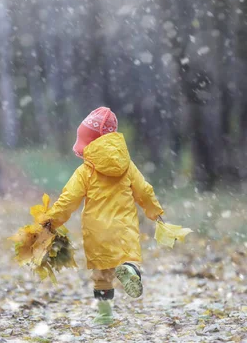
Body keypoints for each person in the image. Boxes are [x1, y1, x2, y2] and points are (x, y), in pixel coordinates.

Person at [41, 107, 164, 325]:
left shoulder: (85, 171)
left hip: (98, 231)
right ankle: (128, 269)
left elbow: (68, 201)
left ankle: (105, 314)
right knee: (127, 257)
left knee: (101, 276)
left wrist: (50, 222)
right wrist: (155, 213)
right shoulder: (128, 167)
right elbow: (144, 191)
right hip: (124, 227)